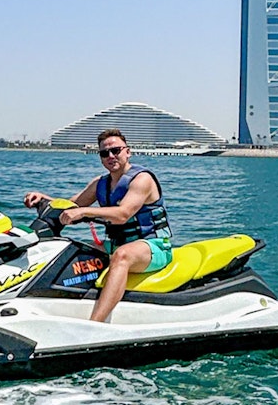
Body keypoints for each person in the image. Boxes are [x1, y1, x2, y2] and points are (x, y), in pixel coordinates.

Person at [23, 128, 173, 323]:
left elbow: (122, 214)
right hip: (115, 244)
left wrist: (85, 212)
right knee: (71, 252)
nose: (111, 156)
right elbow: (73, 205)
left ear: (128, 152)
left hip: (153, 247)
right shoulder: (100, 183)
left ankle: (95, 324)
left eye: (116, 150)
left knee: (122, 256)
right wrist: (44, 199)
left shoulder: (142, 180)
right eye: (104, 153)